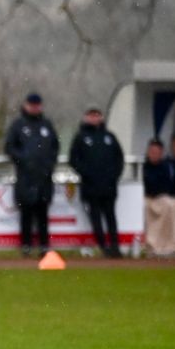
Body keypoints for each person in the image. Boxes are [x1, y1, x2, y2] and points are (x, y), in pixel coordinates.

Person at [3, 92, 59, 257]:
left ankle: (44, 246)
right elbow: (9, 147)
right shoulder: (18, 125)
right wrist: (24, 160)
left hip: (44, 179)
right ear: (26, 105)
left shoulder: (46, 125)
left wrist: (48, 164)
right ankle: (26, 246)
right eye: (32, 105)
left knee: (43, 214)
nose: (35, 108)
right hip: (25, 179)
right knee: (26, 213)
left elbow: (55, 147)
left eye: (37, 105)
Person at [66, 107, 124, 257]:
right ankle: (104, 247)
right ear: (86, 117)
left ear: (101, 117)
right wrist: (86, 173)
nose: (94, 118)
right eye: (91, 115)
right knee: (95, 218)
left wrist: (114, 175)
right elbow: (73, 160)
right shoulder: (81, 137)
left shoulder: (109, 137)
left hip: (109, 186)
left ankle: (115, 246)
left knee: (111, 217)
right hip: (90, 187)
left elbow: (119, 158)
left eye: (97, 115)